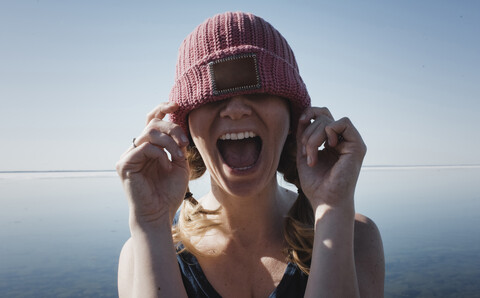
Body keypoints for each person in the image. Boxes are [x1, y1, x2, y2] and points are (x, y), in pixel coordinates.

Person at [116, 11, 384, 298]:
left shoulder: (354, 236)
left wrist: (332, 209)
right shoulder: (143, 249)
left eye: (258, 92)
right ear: (184, 126)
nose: (235, 109)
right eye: (212, 96)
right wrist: (152, 223)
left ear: (293, 117)